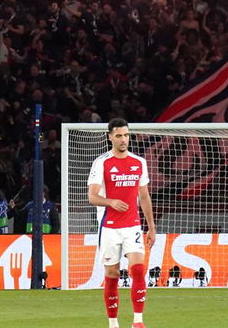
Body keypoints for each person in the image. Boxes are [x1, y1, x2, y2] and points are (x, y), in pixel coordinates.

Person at [87, 119, 155, 328]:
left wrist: (151, 227)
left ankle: (138, 321)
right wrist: (111, 202)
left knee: (138, 269)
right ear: (110, 138)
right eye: (118, 136)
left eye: (126, 135)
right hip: (109, 227)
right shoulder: (102, 163)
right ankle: (113, 323)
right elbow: (92, 197)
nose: (123, 139)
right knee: (112, 274)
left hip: (133, 225)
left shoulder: (139, 162)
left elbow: (144, 196)